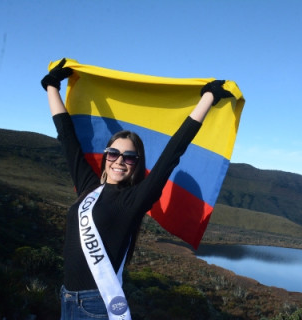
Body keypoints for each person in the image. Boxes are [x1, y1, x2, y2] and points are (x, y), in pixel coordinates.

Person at [41, 58, 234, 320]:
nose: (120, 161)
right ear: (105, 156)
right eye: (113, 153)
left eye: (129, 157)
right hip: (66, 299)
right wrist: (52, 85)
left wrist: (208, 98)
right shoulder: (88, 187)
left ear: (136, 164)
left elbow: (173, 152)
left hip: (96, 306)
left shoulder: (133, 200)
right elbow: (67, 137)